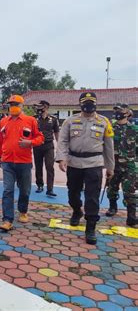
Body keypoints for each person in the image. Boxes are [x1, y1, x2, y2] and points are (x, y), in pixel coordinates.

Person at [56, 92, 115, 245]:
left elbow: (109, 146)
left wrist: (110, 167)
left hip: (94, 164)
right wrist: (62, 158)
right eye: (85, 102)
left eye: (91, 102)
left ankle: (90, 227)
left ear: (95, 103)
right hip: (74, 163)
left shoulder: (104, 122)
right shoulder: (70, 121)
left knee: (92, 197)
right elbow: (62, 141)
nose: (88, 105)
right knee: (73, 193)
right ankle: (77, 210)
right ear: (80, 104)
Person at [0, 95, 44, 232]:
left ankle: (23, 211)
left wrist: (30, 142)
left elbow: (40, 137)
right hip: (7, 161)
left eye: (16, 104)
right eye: (11, 104)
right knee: (8, 190)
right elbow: (1, 140)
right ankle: (7, 220)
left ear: (22, 105)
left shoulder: (31, 121)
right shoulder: (3, 121)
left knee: (24, 190)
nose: (13, 107)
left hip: (24, 162)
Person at [105, 104, 136, 226]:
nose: (118, 112)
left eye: (121, 110)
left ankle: (131, 216)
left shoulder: (134, 130)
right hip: (114, 165)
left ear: (128, 113)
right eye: (116, 110)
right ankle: (113, 207)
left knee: (130, 191)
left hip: (130, 166)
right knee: (112, 188)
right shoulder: (110, 128)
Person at [33, 100, 60, 197]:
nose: (41, 108)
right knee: (38, 166)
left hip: (49, 146)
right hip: (37, 145)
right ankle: (40, 185)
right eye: (40, 106)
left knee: (49, 166)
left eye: (43, 106)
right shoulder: (34, 119)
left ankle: (50, 189)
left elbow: (56, 132)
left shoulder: (53, 119)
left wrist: (59, 146)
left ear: (47, 107)